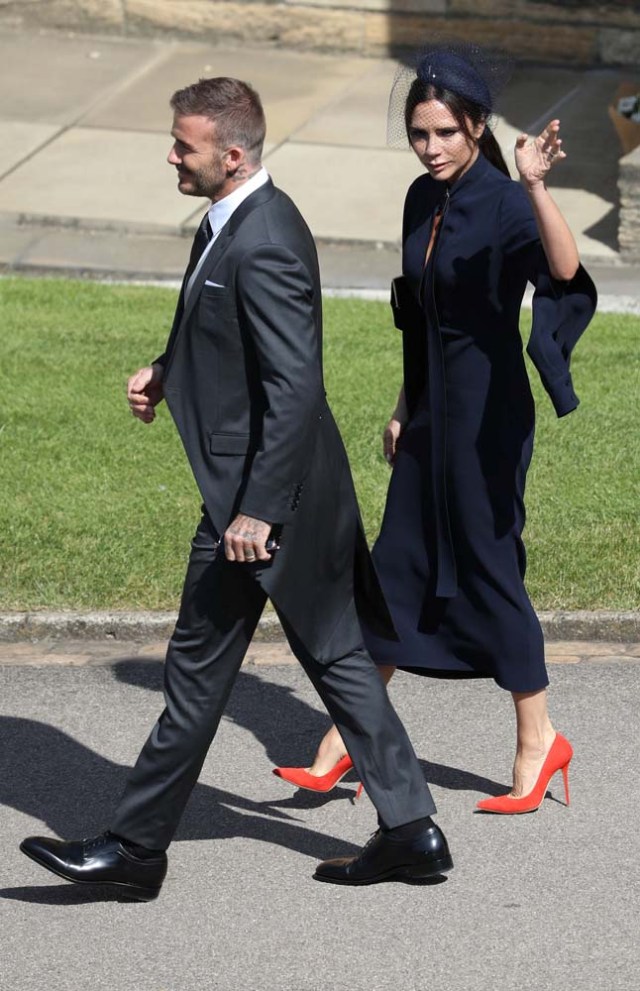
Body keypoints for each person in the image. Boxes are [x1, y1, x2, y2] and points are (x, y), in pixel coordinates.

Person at [19, 76, 453, 899]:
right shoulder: (236, 219)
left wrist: (257, 507)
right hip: (285, 492)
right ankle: (412, 830)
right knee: (334, 656)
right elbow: (223, 334)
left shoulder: (266, 238)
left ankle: (136, 850)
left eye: (183, 145)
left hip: (263, 502)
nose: (171, 155)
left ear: (233, 152)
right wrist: (167, 369)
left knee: (199, 667)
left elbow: (294, 385)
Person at [273, 47, 596, 814]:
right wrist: (401, 404)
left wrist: (537, 185)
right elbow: (420, 317)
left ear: (477, 127)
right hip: (430, 413)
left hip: (489, 416)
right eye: (420, 133)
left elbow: (562, 269)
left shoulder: (506, 201)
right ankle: (344, 738)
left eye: (446, 132)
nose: (431, 147)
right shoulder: (422, 198)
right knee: (396, 568)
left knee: (488, 566)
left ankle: (538, 739)